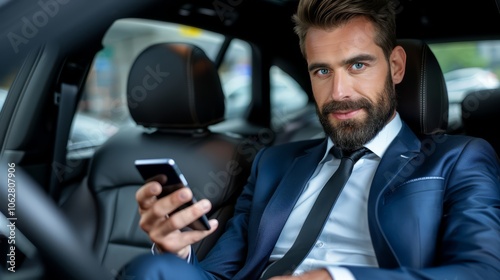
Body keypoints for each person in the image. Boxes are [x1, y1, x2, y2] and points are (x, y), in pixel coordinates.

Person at [122, 0, 500, 279]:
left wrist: (336, 277)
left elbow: (482, 271)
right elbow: (220, 274)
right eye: (322, 70)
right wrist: (180, 251)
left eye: (357, 65)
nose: (339, 91)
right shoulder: (274, 164)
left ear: (396, 66)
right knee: (151, 268)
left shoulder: (458, 158)